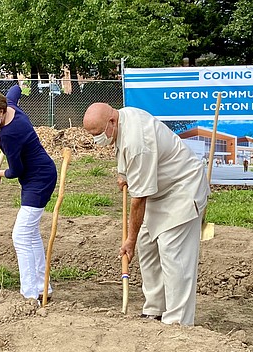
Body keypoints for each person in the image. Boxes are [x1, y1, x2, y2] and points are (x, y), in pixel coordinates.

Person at [83, 103, 210, 325]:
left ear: (111, 122)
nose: (97, 140)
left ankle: (177, 322)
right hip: (159, 190)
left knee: (173, 254)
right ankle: (154, 309)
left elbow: (138, 199)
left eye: (98, 134)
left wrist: (129, 240)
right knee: (147, 245)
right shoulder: (123, 118)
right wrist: (123, 173)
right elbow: (124, 153)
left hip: (181, 189)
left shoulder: (138, 142)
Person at [0, 83, 57, 303]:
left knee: (20, 236)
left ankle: (29, 295)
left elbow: (17, 169)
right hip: (39, 174)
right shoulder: (9, 105)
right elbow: (13, 92)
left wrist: (1, 173)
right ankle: (41, 287)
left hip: (38, 179)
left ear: (0, 112)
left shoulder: (9, 135)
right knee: (30, 234)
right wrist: (20, 84)